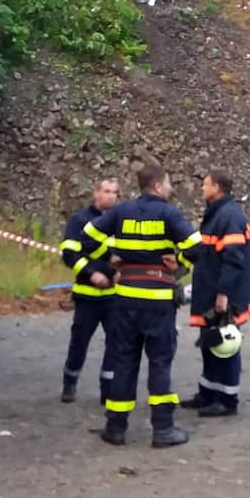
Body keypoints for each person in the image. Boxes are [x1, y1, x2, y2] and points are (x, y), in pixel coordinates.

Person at [83, 164, 202, 448]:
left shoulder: (121, 211)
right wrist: (179, 263)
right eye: (168, 183)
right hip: (158, 300)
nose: (170, 188)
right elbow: (197, 247)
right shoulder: (169, 214)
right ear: (158, 186)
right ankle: (163, 429)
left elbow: (87, 236)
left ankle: (116, 427)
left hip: (125, 298)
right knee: (159, 362)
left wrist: (112, 258)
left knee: (124, 361)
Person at [182, 169, 250, 417]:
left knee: (225, 344)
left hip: (224, 294)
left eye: (206, 184)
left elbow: (233, 258)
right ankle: (208, 393)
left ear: (217, 187)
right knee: (210, 342)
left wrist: (223, 293)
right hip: (210, 289)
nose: (202, 188)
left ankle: (227, 400)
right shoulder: (217, 213)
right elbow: (206, 251)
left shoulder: (229, 215)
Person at [59, 178, 121, 404]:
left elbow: (124, 253)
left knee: (116, 343)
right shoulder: (79, 220)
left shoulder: (119, 222)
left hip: (114, 296)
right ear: (96, 193)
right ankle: (70, 383)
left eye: (114, 192)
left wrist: (121, 271)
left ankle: (108, 389)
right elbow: (69, 254)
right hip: (87, 294)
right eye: (106, 191)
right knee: (79, 342)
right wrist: (91, 273)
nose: (110, 196)